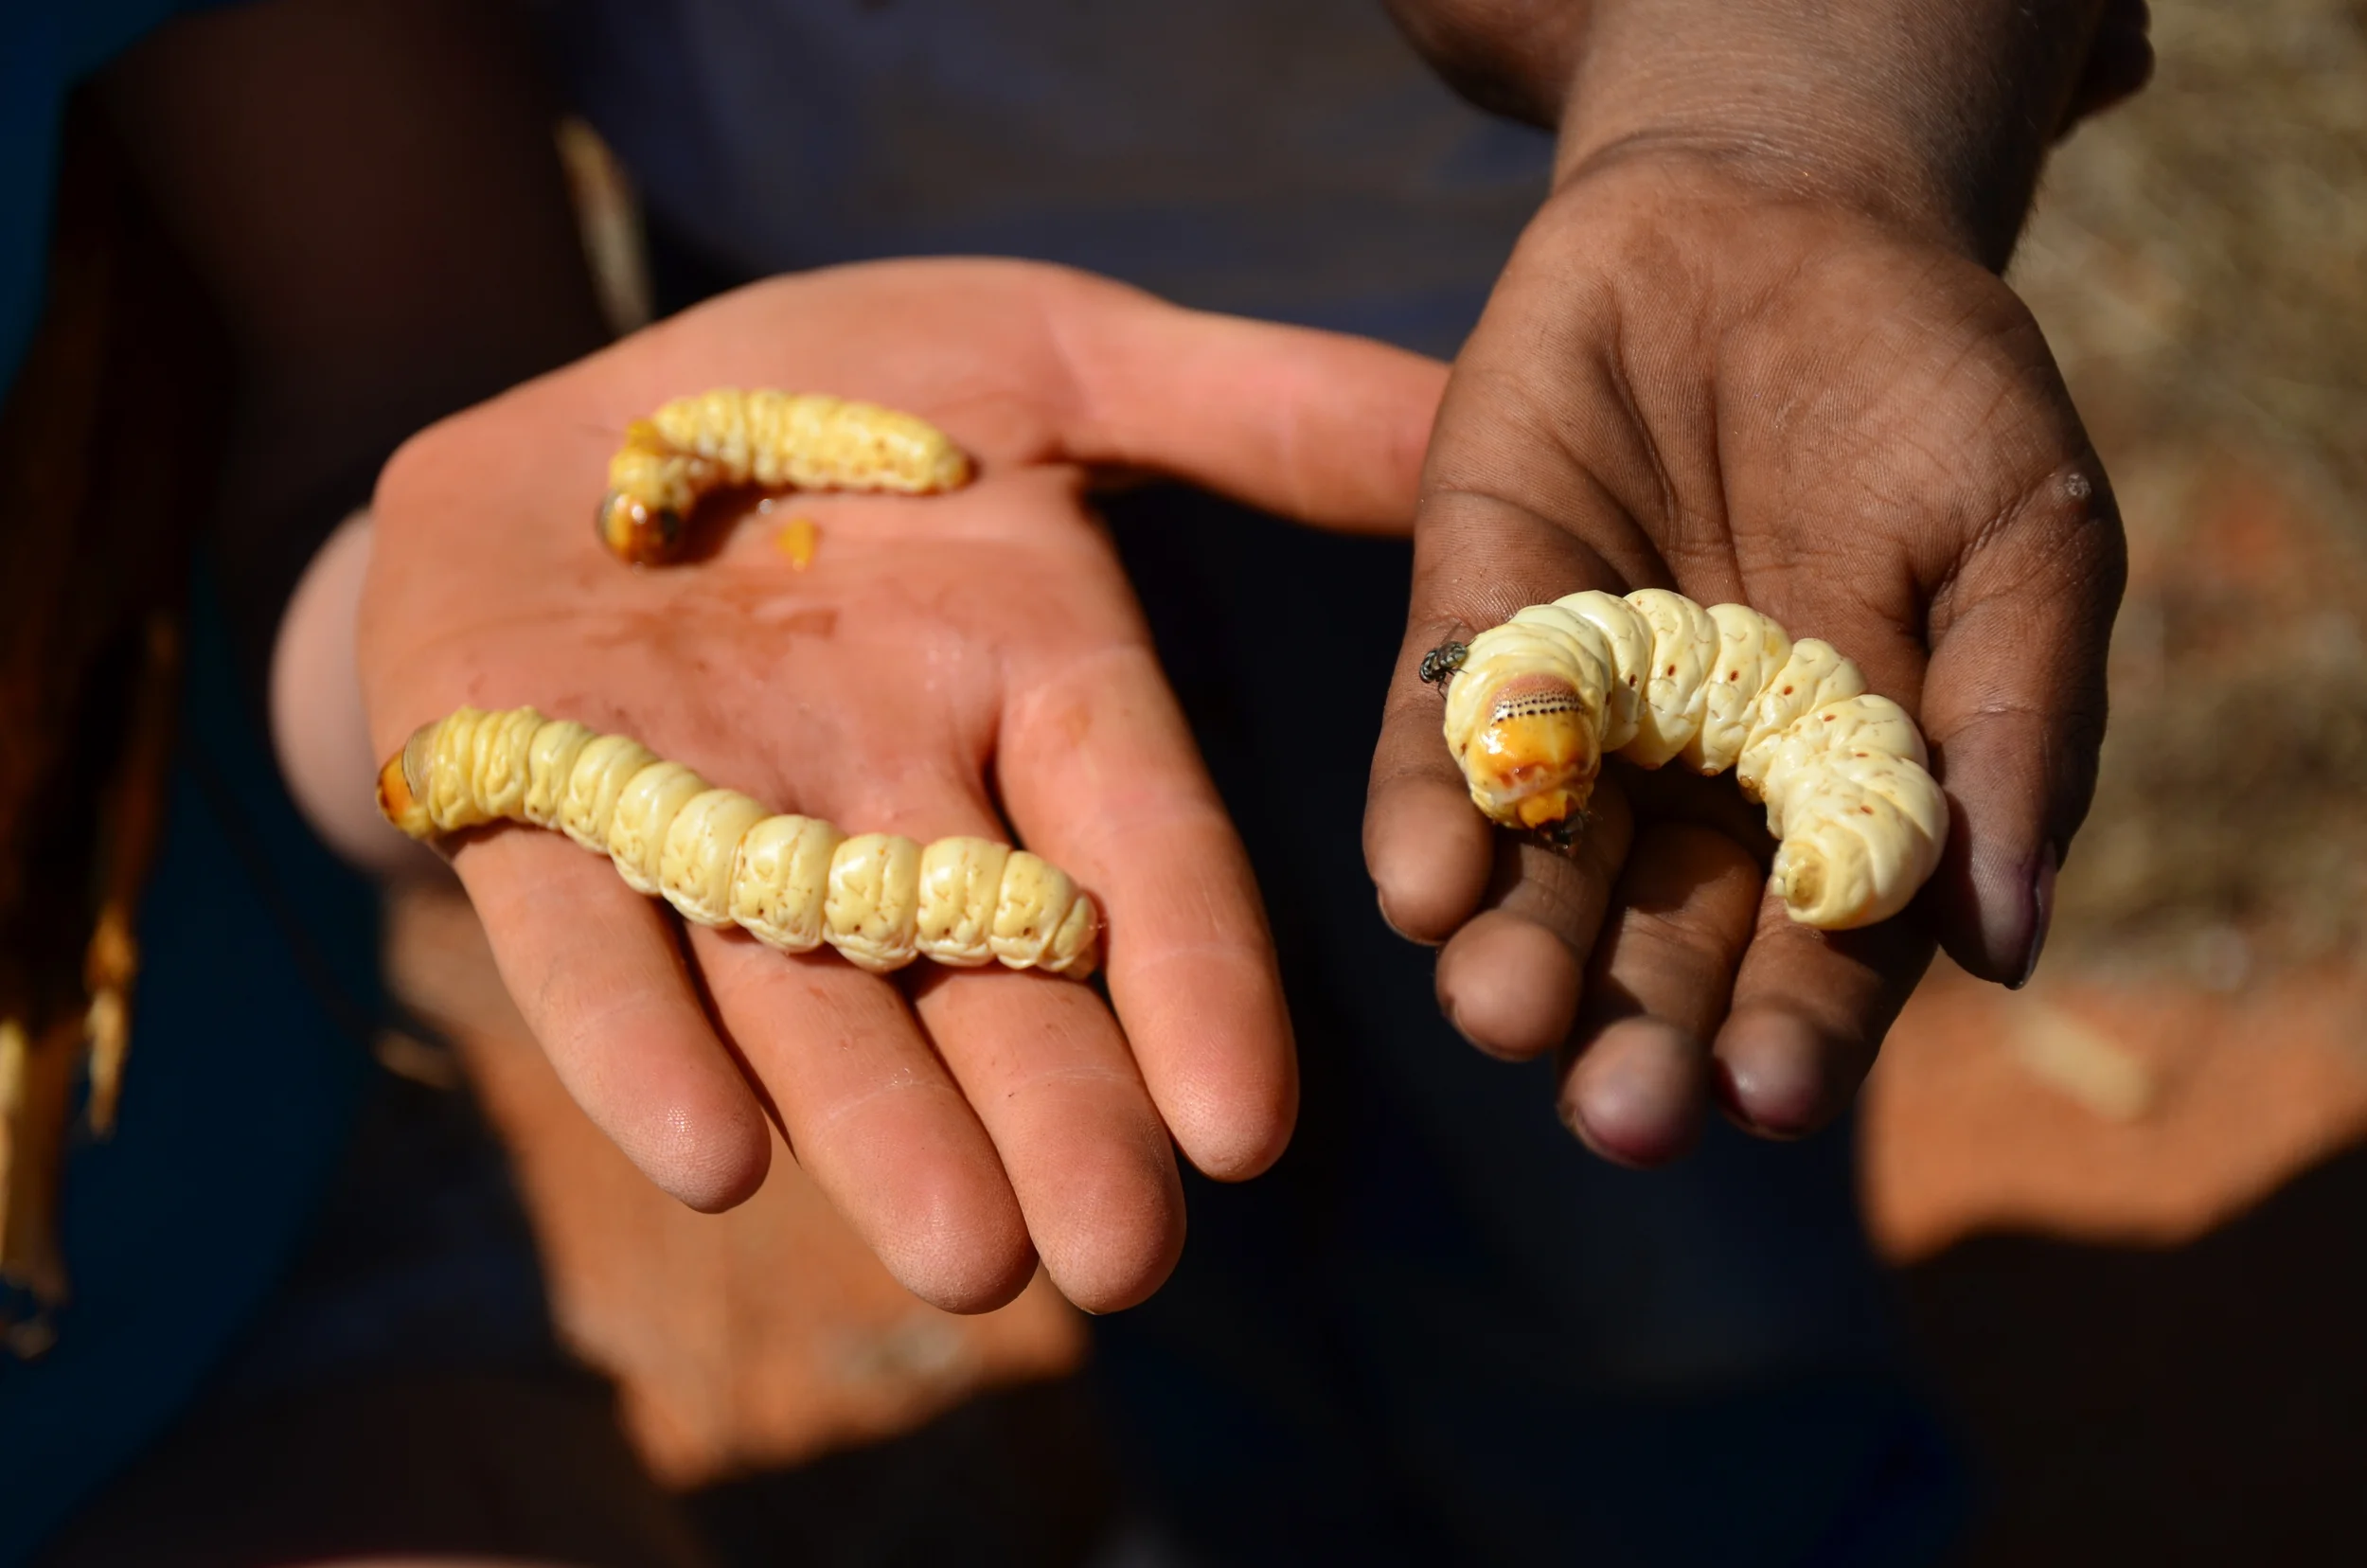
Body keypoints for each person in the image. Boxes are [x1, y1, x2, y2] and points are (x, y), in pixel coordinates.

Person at [2, 0, 2151, 1560]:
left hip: (1460, 300)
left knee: (1612, 1206)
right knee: (1172, 1153)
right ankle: (1251, 1500)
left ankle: (1722, 1499)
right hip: (795, 249)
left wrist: (1783, 114)